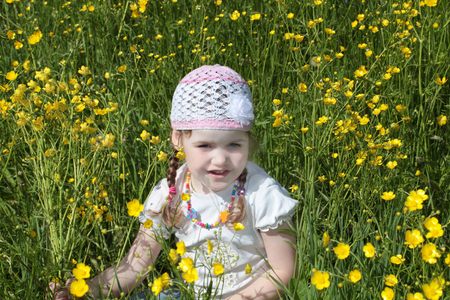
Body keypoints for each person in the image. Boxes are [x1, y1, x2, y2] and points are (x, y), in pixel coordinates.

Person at [49, 64, 297, 300]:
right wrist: (87, 291)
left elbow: (283, 271)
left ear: (248, 140)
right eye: (205, 145)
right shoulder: (171, 191)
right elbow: (136, 265)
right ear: (178, 139)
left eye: (234, 144)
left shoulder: (262, 193)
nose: (220, 159)